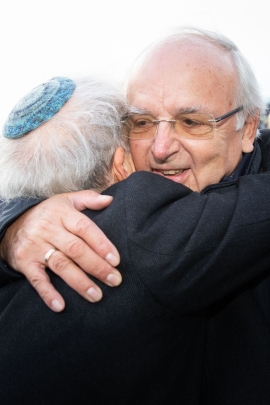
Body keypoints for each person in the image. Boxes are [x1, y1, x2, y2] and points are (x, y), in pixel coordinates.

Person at [1, 28, 270, 404]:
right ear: (119, 154)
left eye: (192, 122)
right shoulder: (123, 223)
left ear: (250, 127)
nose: (161, 149)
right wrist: (15, 224)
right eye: (141, 123)